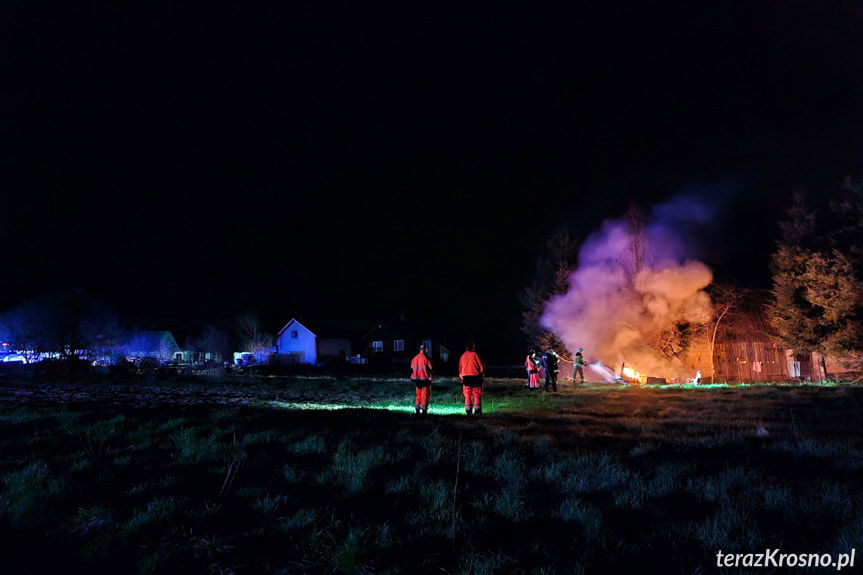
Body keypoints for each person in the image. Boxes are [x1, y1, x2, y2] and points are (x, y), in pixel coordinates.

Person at [458, 341, 485, 415]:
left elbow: (460, 370)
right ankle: (477, 410)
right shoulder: (475, 355)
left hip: (466, 378)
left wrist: (463, 378)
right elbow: (481, 367)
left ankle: (468, 411)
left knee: (467, 395)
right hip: (476, 377)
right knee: (476, 394)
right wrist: (481, 374)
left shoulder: (462, 356)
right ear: (472, 347)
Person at [410, 344, 433, 414]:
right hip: (424, 380)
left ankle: (417, 409)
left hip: (417, 380)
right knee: (424, 395)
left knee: (418, 395)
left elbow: (411, 367)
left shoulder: (414, 358)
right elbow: (431, 367)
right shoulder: (426, 358)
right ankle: (424, 410)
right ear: (425, 350)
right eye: (427, 349)